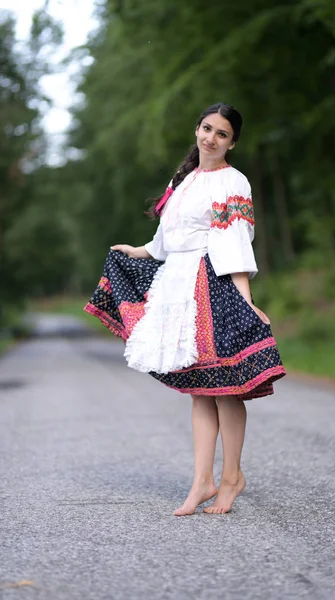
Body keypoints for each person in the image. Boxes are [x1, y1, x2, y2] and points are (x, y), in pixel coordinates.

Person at [84, 102, 286, 516]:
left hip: (211, 282)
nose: (211, 138)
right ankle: (202, 480)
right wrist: (136, 250)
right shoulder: (185, 179)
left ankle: (231, 477)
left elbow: (234, 243)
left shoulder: (234, 181)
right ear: (197, 129)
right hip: (176, 284)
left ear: (233, 142)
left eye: (222, 133)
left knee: (226, 387)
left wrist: (245, 302)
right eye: (206, 128)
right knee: (199, 389)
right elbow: (165, 238)